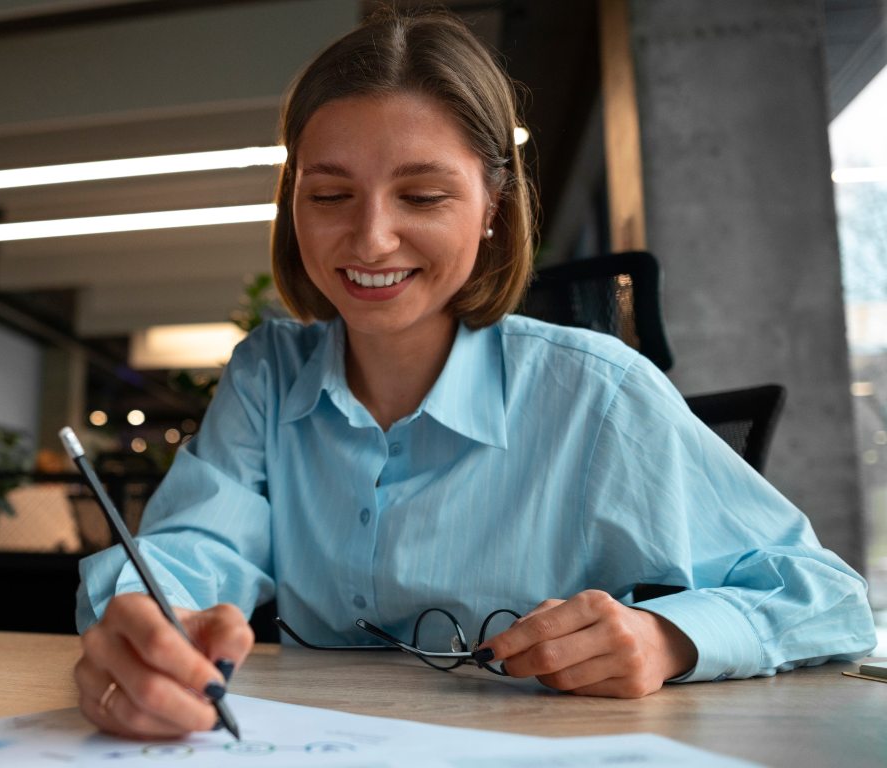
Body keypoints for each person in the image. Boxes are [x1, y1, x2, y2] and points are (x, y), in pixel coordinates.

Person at [72, 8, 877, 739]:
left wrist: (665, 636)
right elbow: (196, 545)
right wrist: (149, 620)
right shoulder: (268, 374)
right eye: (328, 195)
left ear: (493, 205)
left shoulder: (596, 391)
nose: (371, 239)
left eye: (421, 195)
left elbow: (828, 598)